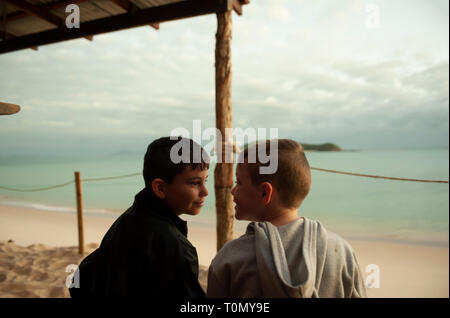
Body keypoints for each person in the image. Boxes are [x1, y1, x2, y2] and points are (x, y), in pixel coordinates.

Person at [206, 139, 367, 298]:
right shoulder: (341, 251)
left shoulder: (230, 259)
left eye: (238, 182)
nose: (233, 191)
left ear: (265, 192)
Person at [69, 136, 209, 298]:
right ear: (160, 188)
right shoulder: (176, 248)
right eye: (195, 183)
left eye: (206, 180)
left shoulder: (127, 220)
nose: (205, 192)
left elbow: (81, 279)